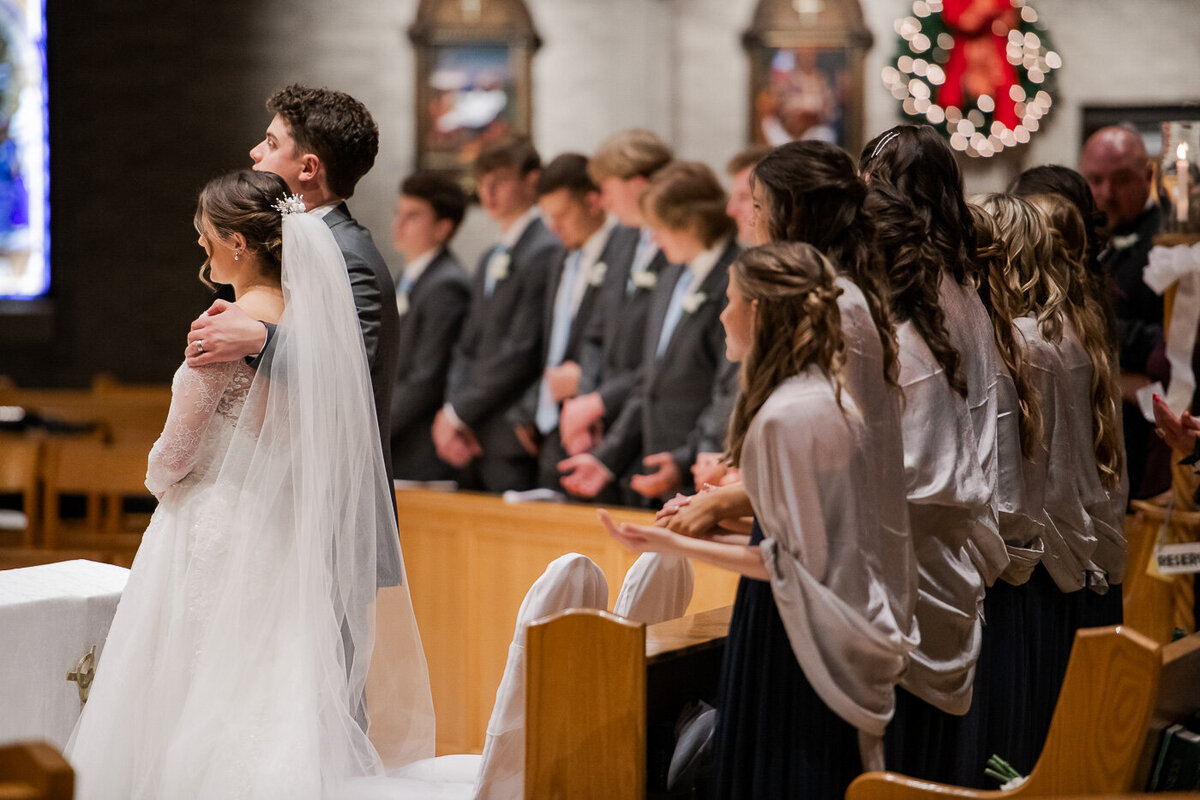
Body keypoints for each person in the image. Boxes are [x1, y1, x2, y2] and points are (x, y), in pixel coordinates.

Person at [65, 170, 434, 798]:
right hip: (282, 527)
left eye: (205, 235)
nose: (200, 246)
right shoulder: (312, 327)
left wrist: (155, 473)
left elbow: (174, 457)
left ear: (239, 243)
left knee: (191, 684)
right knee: (268, 685)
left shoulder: (223, 327)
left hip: (213, 522)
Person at [602, 242, 912, 797]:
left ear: (760, 312)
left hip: (808, 642)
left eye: (729, 300)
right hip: (845, 624)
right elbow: (811, 539)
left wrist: (668, 543)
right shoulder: (826, 396)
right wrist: (712, 527)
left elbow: (786, 563)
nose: (720, 314)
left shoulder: (784, 415)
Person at [660, 140, 917, 666]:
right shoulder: (839, 294)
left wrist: (723, 502)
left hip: (828, 583)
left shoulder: (835, 306)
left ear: (790, 212)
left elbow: (830, 462)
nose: (747, 220)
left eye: (757, 206)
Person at [184, 84, 406, 587]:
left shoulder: (350, 255)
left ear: (307, 169)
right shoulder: (298, 245)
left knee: (321, 666)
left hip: (328, 510)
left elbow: (353, 381)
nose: (254, 153)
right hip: (278, 499)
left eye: (270, 141)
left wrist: (259, 338)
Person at [860, 125, 1019, 784]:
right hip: (957, 537)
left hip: (926, 546)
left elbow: (921, 450)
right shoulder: (961, 280)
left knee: (909, 764)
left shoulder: (918, 296)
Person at [559, 161, 739, 506]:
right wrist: (606, 460)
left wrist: (688, 459)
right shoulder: (671, 274)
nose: (653, 238)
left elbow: (727, 387)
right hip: (656, 463)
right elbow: (650, 381)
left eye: (658, 227)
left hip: (707, 469)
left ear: (690, 221)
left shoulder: (733, 276)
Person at [433, 136, 564, 492]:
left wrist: (459, 411)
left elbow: (522, 349)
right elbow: (466, 343)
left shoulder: (546, 249)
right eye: (482, 181)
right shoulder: (491, 256)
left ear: (531, 181)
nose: (487, 191)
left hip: (510, 430)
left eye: (500, 180)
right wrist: (454, 411)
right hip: (471, 428)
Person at [559, 130, 673, 477]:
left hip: (651, 427)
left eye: (607, 189)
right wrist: (588, 401)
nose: (604, 203)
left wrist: (600, 401)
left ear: (637, 185)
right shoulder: (622, 238)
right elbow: (596, 333)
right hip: (603, 428)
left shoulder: (676, 248)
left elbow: (664, 355)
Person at [510, 152, 625, 491]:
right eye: (547, 216)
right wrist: (533, 405)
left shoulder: (622, 254)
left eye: (562, 214)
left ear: (594, 202)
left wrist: (585, 383)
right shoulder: (560, 257)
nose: (553, 226)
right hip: (551, 424)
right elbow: (552, 346)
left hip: (599, 426)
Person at [1080, 125, 1168, 498]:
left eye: (1122, 180)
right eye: (1095, 180)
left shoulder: (1168, 242)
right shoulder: (1088, 236)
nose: (1106, 194)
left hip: (1147, 433)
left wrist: (1093, 332)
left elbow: (1179, 338)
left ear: (1148, 177)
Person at [389, 170, 471, 481]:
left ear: (443, 227)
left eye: (413, 216)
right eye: (399, 213)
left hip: (418, 448)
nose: (399, 224)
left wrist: (375, 426)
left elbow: (427, 378)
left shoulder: (447, 284)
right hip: (398, 442)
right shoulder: (409, 277)